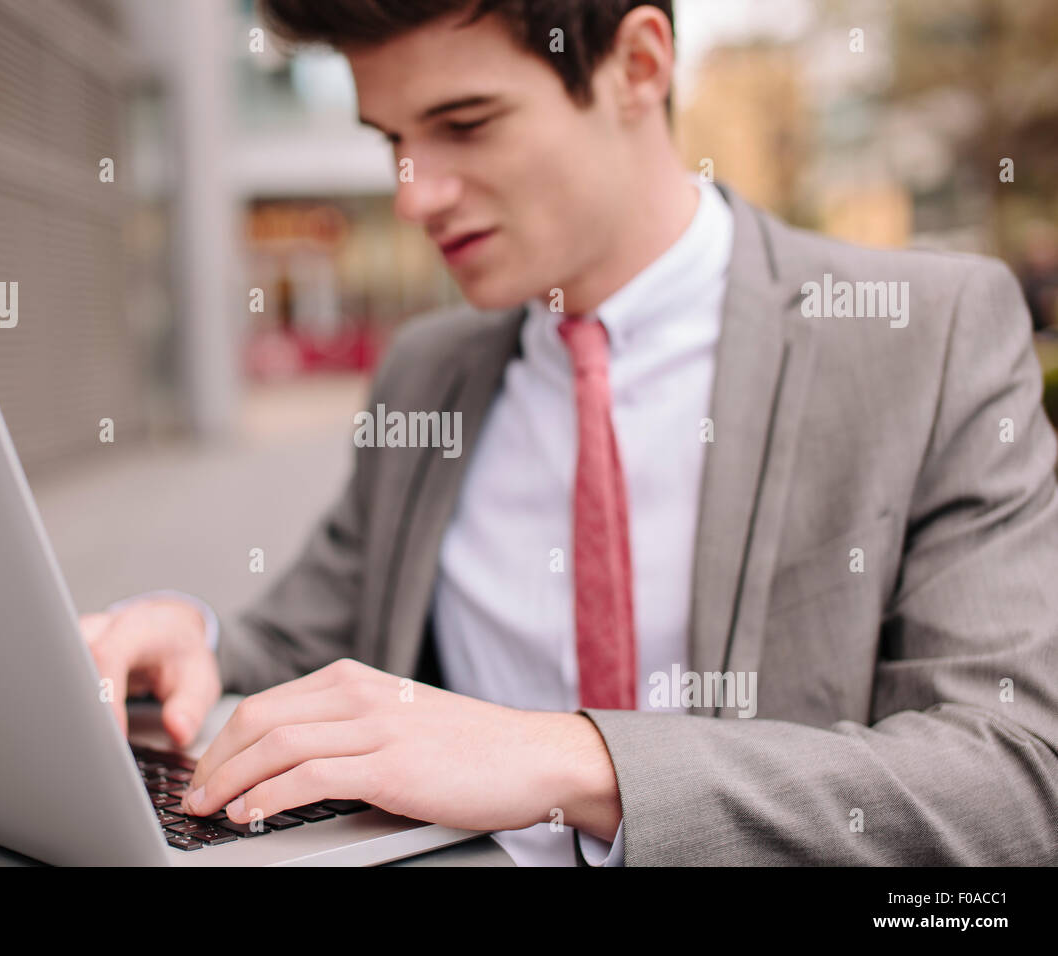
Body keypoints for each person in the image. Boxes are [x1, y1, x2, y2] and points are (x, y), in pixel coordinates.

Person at [80, 1, 1058, 865]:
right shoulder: (430, 370)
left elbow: (1015, 779)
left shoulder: (925, 338)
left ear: (638, 66)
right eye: (391, 142)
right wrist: (189, 634)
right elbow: (302, 639)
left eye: (465, 124)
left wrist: (563, 757)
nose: (416, 194)